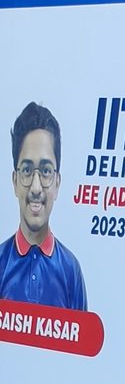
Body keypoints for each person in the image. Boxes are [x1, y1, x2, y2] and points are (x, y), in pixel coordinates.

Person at [0, 105, 86, 310]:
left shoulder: (70, 270)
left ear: (57, 183)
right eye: (27, 170)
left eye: (46, 171)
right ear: (15, 181)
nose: (36, 187)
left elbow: (81, 341)